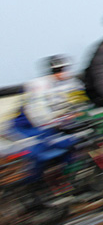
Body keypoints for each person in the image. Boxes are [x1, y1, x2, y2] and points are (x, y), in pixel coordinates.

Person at [6, 55, 88, 185]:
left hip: (56, 124)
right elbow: (37, 111)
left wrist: (82, 114)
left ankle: (66, 182)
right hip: (27, 126)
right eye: (56, 71)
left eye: (63, 69)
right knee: (41, 154)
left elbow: (82, 102)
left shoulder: (73, 83)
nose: (61, 73)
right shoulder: (39, 85)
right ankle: (32, 184)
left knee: (74, 145)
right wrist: (57, 121)